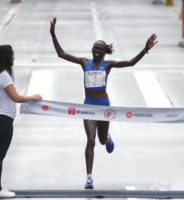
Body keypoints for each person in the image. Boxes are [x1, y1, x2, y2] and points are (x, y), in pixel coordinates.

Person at [50, 17, 157, 189]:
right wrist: (53, 34)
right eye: (94, 48)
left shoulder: (108, 65)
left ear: (105, 52)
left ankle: (107, 137)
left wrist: (145, 49)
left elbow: (130, 63)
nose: (96, 51)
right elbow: (61, 54)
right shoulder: (84, 62)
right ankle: (89, 177)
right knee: (90, 141)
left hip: (104, 107)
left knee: (100, 140)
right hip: (88, 107)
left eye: (100, 49)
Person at [0, 45, 42, 198]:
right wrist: (33, 97)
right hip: (2, 120)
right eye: (12, 55)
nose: (14, 58)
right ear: (7, 57)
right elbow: (16, 97)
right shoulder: (4, 76)